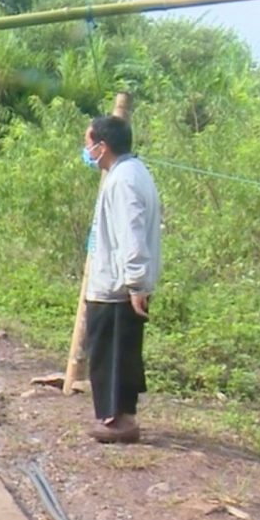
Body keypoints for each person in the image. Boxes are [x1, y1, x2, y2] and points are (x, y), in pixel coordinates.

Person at [80, 114, 161, 444]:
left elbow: (132, 233)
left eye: (88, 145)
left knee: (111, 355)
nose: (85, 151)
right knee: (121, 353)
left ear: (102, 146)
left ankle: (116, 421)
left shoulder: (124, 179)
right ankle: (121, 417)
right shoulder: (130, 172)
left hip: (117, 287)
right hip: (120, 282)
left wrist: (135, 282)